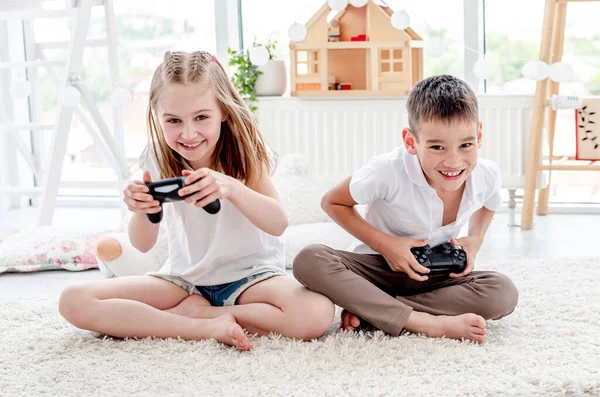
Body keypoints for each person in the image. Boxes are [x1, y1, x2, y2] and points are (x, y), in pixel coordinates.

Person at [59, 50, 334, 351]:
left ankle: (201, 315)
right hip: (183, 280)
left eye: (202, 117)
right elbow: (142, 244)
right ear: (156, 115)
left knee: (317, 313)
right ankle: (198, 327)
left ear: (223, 111)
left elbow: (277, 223)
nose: (189, 134)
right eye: (174, 120)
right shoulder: (156, 155)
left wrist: (230, 187)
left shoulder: (244, 153)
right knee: (73, 300)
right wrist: (141, 210)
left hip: (251, 279)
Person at [293, 75, 518, 344]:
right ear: (411, 142)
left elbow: (489, 203)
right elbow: (332, 202)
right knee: (309, 258)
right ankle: (421, 321)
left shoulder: (487, 174)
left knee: (503, 292)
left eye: (465, 145)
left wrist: (476, 239)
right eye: (437, 147)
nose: (453, 160)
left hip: (434, 275)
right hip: (376, 269)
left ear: (479, 135)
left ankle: (375, 310)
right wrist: (387, 245)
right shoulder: (386, 170)